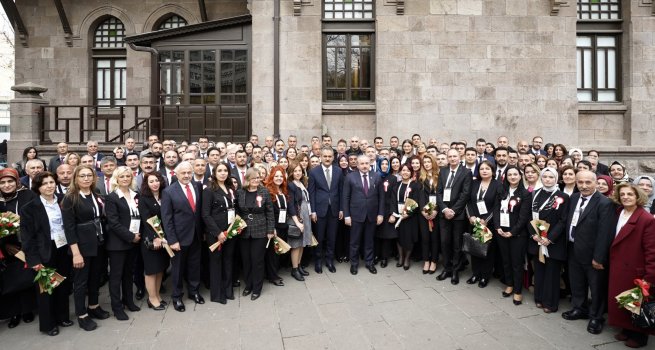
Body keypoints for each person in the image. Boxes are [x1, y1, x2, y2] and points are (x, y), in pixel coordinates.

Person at [562, 170, 616, 335]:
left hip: (593, 254)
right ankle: (580, 308)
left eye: (588, 182)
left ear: (595, 183)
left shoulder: (604, 203)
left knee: (596, 286)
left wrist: (598, 257)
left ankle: (596, 317)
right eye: (580, 182)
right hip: (573, 249)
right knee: (577, 283)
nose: (584, 186)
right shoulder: (573, 198)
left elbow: (605, 233)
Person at [20, 172, 73, 336]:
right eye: (44, 184)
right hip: (44, 250)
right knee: (47, 288)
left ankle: (62, 316)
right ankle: (48, 324)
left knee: (63, 285)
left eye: (51, 182)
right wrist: (34, 260)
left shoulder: (64, 200)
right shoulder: (29, 208)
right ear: (38, 187)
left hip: (64, 247)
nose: (49, 186)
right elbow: (27, 238)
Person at [62, 165, 110, 331]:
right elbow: (69, 228)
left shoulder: (96, 193)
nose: (86, 178)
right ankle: (82, 314)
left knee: (96, 277)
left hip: (98, 242)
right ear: (76, 178)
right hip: (81, 245)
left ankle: (94, 306)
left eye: (89, 175)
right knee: (81, 281)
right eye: (82, 176)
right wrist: (76, 253)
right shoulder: (70, 198)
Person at [607, 183, 655, 348]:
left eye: (630, 194)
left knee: (637, 303)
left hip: (636, 269)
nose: (626, 197)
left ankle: (640, 336)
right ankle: (626, 329)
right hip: (620, 265)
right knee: (623, 300)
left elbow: (652, 250)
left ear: (638, 197)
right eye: (623, 194)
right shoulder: (620, 212)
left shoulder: (646, 218)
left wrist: (649, 277)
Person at [161, 161, 205, 312]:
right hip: (179, 238)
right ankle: (177, 297)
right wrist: (172, 240)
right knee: (178, 269)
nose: (186, 175)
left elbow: (199, 213)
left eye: (189, 173)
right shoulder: (168, 192)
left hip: (196, 236)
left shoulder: (197, 187)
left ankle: (194, 292)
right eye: (183, 173)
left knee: (194, 266)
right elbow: (167, 218)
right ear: (176, 174)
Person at [528, 167, 569, 314]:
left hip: (553, 241)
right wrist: (533, 234)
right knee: (539, 270)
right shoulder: (534, 194)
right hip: (537, 239)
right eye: (545, 177)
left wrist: (549, 238)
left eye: (551, 177)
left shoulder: (563, 196)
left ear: (556, 179)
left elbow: (563, 221)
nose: (547, 179)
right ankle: (539, 298)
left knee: (552, 273)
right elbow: (528, 216)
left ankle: (550, 303)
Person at [235, 168, 275, 300]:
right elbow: (237, 211)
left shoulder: (264, 191)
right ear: (247, 180)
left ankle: (257, 288)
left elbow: (270, 212)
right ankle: (249, 285)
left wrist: (270, 230)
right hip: (244, 231)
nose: (257, 180)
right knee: (246, 260)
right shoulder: (240, 192)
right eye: (254, 178)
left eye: (258, 178)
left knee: (257, 260)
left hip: (260, 230)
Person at [494, 166, 531, 305]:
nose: (513, 177)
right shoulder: (501, 191)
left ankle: (517, 290)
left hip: (517, 234)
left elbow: (523, 217)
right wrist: (497, 227)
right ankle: (509, 284)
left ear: (520, 176)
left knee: (516, 263)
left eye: (515, 174)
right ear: (506, 177)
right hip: (501, 231)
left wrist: (513, 232)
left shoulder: (525, 194)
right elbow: (496, 210)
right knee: (506, 260)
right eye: (510, 174)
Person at [202, 163, 238, 303]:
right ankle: (217, 294)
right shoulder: (209, 190)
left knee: (228, 261)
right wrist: (217, 233)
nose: (223, 173)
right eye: (220, 171)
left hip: (230, 231)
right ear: (214, 173)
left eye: (225, 171)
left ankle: (228, 290)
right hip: (216, 234)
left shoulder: (230, 188)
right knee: (216, 263)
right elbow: (205, 215)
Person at [342, 155, 385, 275]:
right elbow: (345, 198)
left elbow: (381, 197)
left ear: (370, 163)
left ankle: (369, 263)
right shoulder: (350, 177)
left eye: (367, 163)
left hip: (372, 215)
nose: (365, 166)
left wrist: (380, 214)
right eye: (362, 164)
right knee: (354, 242)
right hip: (355, 215)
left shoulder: (376, 176)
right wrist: (347, 215)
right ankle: (354, 264)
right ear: (357, 164)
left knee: (369, 241)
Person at [436, 149, 472, 285]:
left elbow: (465, 194)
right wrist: (445, 209)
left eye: (454, 156)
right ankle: (447, 268)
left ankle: (456, 270)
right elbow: (438, 192)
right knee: (445, 242)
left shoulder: (466, 172)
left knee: (457, 244)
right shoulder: (443, 171)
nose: (452, 158)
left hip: (458, 215)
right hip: (444, 213)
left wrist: (453, 210)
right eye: (449, 156)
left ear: (460, 157)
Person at [465, 160, 501, 288]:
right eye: (482, 169)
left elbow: (497, 205)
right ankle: (475, 273)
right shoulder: (474, 183)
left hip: (488, 223)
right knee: (475, 248)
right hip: (475, 222)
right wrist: (471, 216)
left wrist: (486, 220)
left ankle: (485, 276)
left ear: (492, 171)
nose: (484, 171)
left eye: (487, 168)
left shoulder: (498, 185)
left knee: (487, 250)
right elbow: (468, 201)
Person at [308, 146, 343, 274]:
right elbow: (311, 192)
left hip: (334, 210)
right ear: (320, 157)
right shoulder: (313, 172)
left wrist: (341, 209)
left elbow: (341, 191)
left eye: (330, 156)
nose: (327, 158)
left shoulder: (338, 171)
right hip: (319, 211)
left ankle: (329, 261)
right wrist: (313, 211)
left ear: (333, 157)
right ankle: (318, 261)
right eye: (325, 156)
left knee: (332, 237)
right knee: (319, 237)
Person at [138, 172, 169, 310]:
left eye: (157, 180)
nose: (155, 183)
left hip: (165, 238)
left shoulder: (165, 195)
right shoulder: (144, 198)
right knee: (151, 270)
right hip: (151, 238)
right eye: (151, 181)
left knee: (160, 269)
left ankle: (157, 295)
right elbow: (146, 220)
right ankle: (151, 298)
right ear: (146, 184)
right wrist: (155, 237)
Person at [389, 164, 421, 270]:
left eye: (408, 171)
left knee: (409, 237)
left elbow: (416, 201)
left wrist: (408, 213)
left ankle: (407, 258)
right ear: (400, 172)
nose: (405, 172)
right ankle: (401, 257)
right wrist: (393, 213)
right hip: (398, 215)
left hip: (410, 216)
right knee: (399, 236)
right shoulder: (396, 185)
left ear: (411, 172)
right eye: (403, 170)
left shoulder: (415, 185)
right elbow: (392, 200)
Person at [287, 161, 313, 279]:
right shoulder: (291, 185)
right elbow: (291, 205)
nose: (298, 173)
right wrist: (297, 222)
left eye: (299, 171)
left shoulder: (302, 182)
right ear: (291, 172)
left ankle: (299, 265)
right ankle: (294, 269)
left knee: (302, 243)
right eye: (295, 171)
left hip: (305, 215)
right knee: (296, 244)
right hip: (297, 216)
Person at [263, 166, 286, 286]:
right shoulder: (268, 191)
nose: (279, 178)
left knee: (277, 252)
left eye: (281, 176)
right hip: (273, 226)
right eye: (276, 176)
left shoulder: (283, 190)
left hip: (283, 225)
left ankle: (273, 273)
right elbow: (267, 211)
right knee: (272, 253)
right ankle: (272, 276)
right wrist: (272, 228)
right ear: (272, 177)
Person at [418, 154, 439, 274]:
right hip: (424, 213)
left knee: (434, 238)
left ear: (433, 163)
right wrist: (423, 211)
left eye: (429, 162)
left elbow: (440, 196)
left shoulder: (439, 176)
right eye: (424, 162)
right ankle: (426, 260)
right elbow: (420, 196)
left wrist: (435, 210)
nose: (426, 164)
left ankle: (434, 261)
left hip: (436, 213)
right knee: (425, 238)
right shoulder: (421, 178)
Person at [375, 157, 397, 268]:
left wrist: (393, 213)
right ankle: (376, 255)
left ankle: (384, 257)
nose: (384, 166)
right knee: (376, 235)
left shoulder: (392, 178)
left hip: (388, 210)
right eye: (382, 164)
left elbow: (394, 197)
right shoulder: (374, 176)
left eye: (386, 164)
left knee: (386, 236)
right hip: (375, 210)